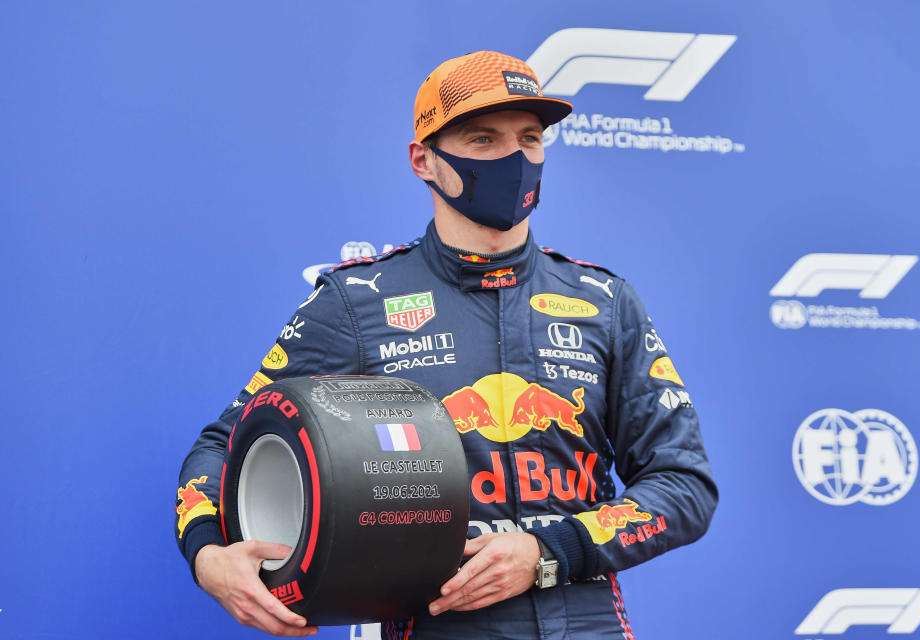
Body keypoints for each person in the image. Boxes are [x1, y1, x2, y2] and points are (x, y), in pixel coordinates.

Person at [175, 50, 718, 639]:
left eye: (530, 139)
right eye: (483, 140)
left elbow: (683, 485)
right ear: (423, 160)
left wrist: (549, 550)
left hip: (586, 624)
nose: (514, 158)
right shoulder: (358, 300)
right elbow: (224, 446)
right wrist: (209, 556)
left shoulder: (605, 302)